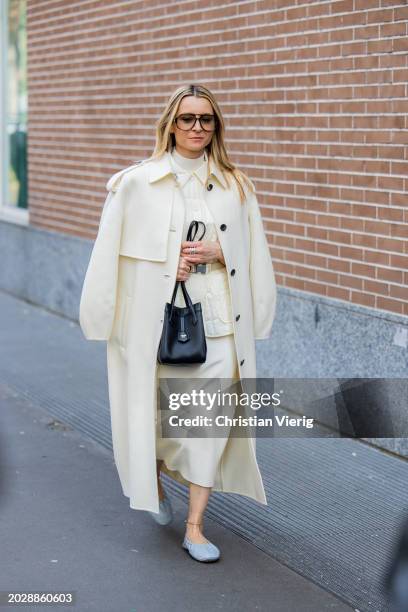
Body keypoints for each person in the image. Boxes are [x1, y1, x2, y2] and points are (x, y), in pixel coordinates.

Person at [79, 83, 277, 562]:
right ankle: (154, 481)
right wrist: (167, 269)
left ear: (216, 126)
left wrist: (218, 251)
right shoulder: (135, 183)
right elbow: (108, 256)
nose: (196, 128)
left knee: (207, 427)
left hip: (220, 327)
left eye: (206, 119)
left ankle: (196, 527)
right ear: (170, 123)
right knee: (157, 421)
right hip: (157, 325)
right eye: (187, 118)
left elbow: (255, 253)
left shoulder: (236, 185)